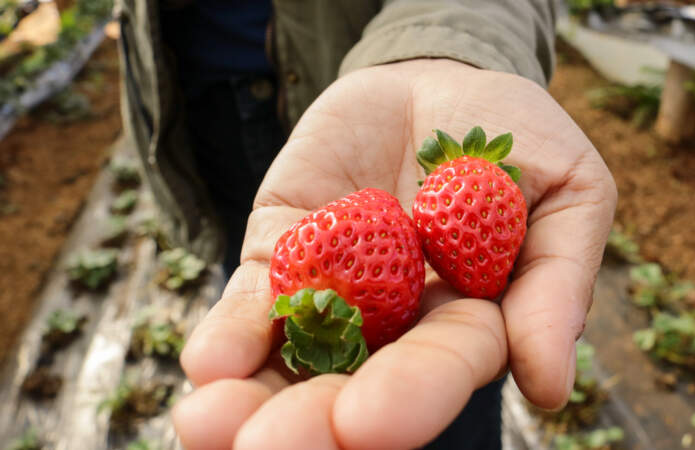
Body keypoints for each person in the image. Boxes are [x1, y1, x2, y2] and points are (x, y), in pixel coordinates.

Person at [117, 1, 617, 448]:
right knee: (254, 312)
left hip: (361, 75)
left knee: (444, 405)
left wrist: (447, 46)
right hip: (201, 119)